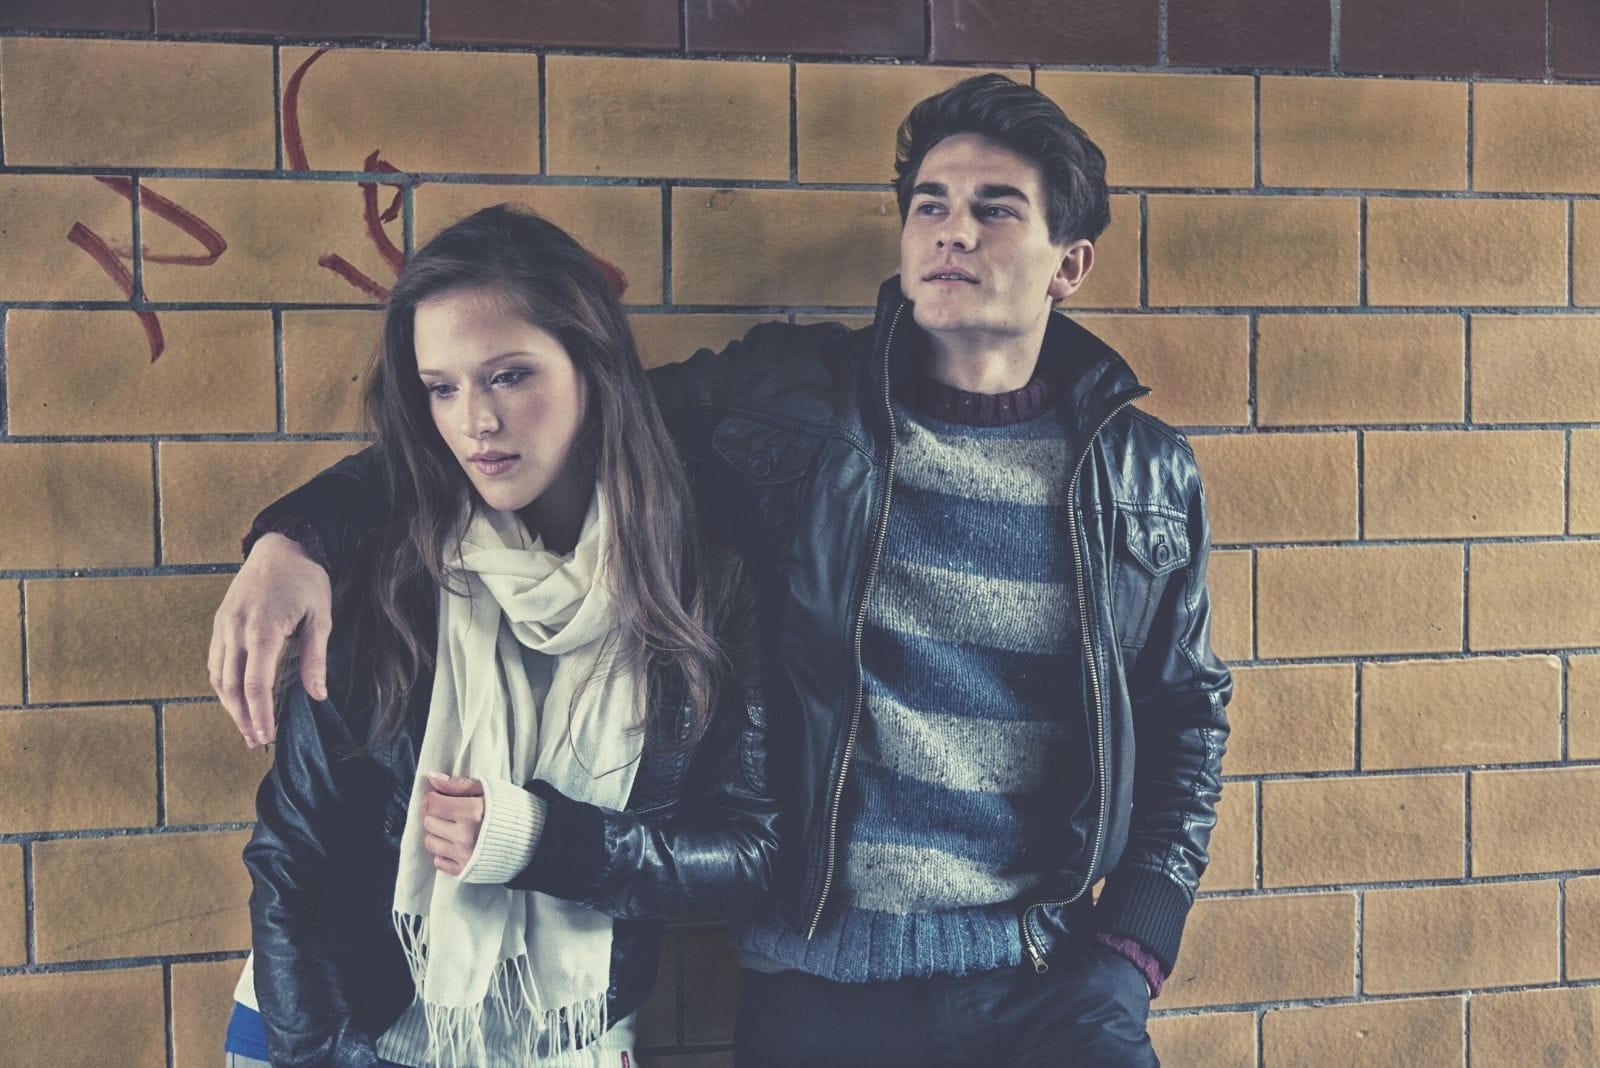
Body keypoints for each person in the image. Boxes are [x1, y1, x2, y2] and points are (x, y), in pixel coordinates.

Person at [213, 75, 1231, 1066]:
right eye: (930, 204)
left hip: (1047, 984)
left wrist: (1132, 952)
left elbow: (1185, 715)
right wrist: (297, 535)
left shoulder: (1142, 476)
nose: (951, 230)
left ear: (1070, 265)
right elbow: (532, 429)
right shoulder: (787, 401)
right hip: (819, 986)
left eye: (994, 209)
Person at [221, 206, 778, 1067]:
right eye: (442, 387)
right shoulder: (382, 572)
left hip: (564, 1035)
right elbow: (294, 862)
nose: (475, 420)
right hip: (335, 1031)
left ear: (593, 369)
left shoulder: (703, 582)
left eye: (510, 376)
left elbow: (753, 853)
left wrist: (552, 845)